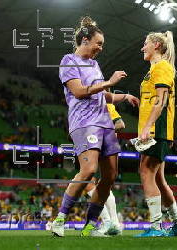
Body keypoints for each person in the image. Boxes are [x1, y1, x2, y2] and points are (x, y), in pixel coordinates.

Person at [51, 16, 139, 237]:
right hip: (84, 122)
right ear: (85, 40)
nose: (100, 48)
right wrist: (109, 82)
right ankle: (60, 219)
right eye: (98, 43)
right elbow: (79, 91)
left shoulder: (94, 64)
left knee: (110, 175)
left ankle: (90, 225)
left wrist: (124, 95)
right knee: (89, 170)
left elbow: (104, 95)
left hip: (105, 124)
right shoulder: (69, 61)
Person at [134, 31, 177, 238]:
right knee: (158, 178)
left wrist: (147, 127)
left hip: (158, 130)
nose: (142, 48)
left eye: (145, 43)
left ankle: (156, 227)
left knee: (146, 171)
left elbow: (161, 100)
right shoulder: (157, 69)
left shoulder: (162, 67)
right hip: (157, 129)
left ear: (156, 45)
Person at [85, 103, 124, 236]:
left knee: (97, 184)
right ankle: (112, 223)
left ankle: (111, 222)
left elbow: (120, 124)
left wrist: (100, 132)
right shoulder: (88, 107)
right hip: (94, 147)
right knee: (95, 184)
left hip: (103, 148)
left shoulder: (106, 105)